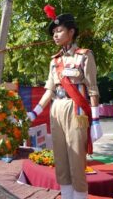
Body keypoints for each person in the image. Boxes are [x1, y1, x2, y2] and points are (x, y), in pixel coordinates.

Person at [27, 11, 101, 199]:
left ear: (71, 32)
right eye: (54, 33)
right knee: (60, 160)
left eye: (59, 31)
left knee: (76, 159)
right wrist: (34, 113)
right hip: (56, 110)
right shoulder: (55, 61)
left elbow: (92, 88)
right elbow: (49, 90)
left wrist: (96, 119)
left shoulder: (84, 56)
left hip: (75, 110)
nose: (55, 35)